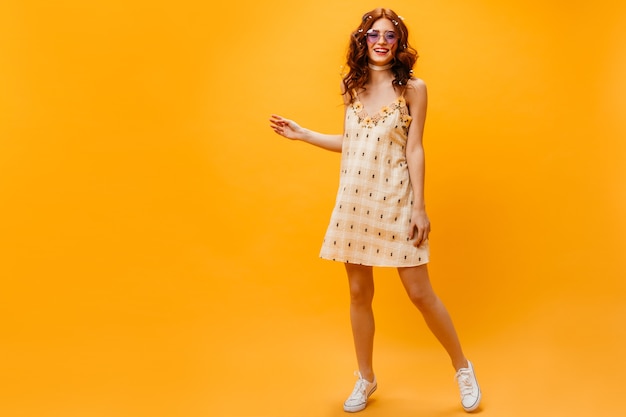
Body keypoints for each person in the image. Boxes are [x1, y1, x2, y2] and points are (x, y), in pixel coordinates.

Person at [269, 7, 481, 413]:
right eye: (373, 35)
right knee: (357, 292)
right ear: (362, 41)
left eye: (389, 36)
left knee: (420, 293)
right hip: (355, 199)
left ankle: (462, 368)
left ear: (398, 43)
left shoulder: (414, 89)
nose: (381, 42)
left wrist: (420, 206)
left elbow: (414, 148)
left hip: (397, 198)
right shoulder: (352, 85)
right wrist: (304, 135)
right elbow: (355, 142)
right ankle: (365, 377)